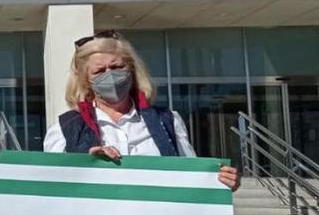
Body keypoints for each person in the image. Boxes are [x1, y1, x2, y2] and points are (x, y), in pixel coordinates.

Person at [44, 30, 239, 190]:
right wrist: (84, 164)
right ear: (85, 79)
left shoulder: (167, 121)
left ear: (131, 70)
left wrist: (221, 181)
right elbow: (48, 188)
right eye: (99, 71)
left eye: (117, 67)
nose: (110, 75)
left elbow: (191, 178)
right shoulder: (65, 128)